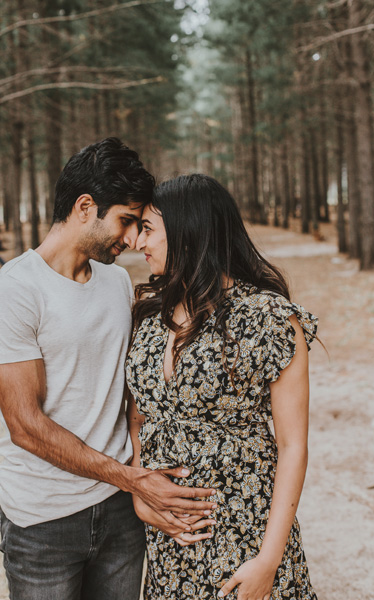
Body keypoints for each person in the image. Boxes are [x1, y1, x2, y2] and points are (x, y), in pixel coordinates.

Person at [0, 140, 216, 600]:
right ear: (85, 207)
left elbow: (133, 394)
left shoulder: (118, 282)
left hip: (120, 512)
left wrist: (135, 483)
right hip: (44, 521)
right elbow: (25, 426)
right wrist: (133, 479)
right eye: (126, 220)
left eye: (140, 224)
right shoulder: (15, 291)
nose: (132, 238)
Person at [126, 173, 319, 600]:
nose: (137, 242)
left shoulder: (268, 319)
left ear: (187, 232)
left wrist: (268, 561)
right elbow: (138, 417)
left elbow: (293, 447)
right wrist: (142, 493)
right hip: (170, 545)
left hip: (244, 535)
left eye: (147, 229)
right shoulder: (149, 316)